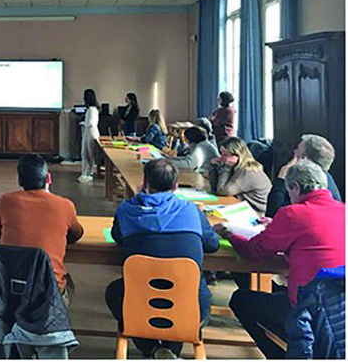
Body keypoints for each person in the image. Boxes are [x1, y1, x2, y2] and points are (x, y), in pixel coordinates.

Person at [215, 160, 345, 359]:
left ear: (295, 187)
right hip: (340, 313)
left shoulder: (293, 213)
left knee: (241, 300)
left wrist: (228, 234)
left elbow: (252, 252)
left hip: (308, 313)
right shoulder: (343, 210)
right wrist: (276, 225)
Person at [106, 159, 219, 359]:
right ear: (176, 186)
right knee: (181, 292)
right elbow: (212, 245)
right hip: (191, 309)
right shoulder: (191, 210)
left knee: (114, 292)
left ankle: (153, 349)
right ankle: (169, 351)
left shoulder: (126, 210)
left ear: (144, 183)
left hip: (139, 307)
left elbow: (119, 237)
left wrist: (139, 198)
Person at [0, 154, 84, 305]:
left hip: (12, 288)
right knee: (68, 284)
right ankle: (57, 322)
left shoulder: (6, 201)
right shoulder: (64, 205)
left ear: (19, 181)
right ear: (48, 178)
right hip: (48, 291)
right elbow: (76, 234)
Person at [266, 134, 342, 217]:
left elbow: (274, 214)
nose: (294, 151)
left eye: (297, 149)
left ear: (304, 158)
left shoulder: (307, 184)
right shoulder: (327, 178)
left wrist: (281, 178)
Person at [209, 137, 272, 215]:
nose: (221, 158)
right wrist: (213, 168)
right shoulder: (236, 166)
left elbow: (222, 191)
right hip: (244, 206)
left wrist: (226, 168)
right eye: (221, 153)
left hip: (258, 212)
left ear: (237, 156)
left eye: (225, 155)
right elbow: (215, 188)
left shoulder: (248, 171)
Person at [78, 88, 100, 184]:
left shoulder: (92, 109)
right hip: (89, 132)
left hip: (91, 132)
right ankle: (85, 172)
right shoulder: (91, 109)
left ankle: (88, 173)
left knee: (89, 154)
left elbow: (91, 122)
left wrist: (83, 123)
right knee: (84, 153)